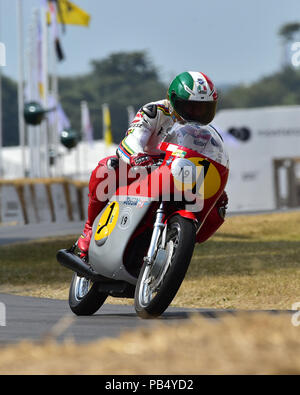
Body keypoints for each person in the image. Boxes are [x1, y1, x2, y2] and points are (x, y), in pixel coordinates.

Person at [77, 71, 228, 257]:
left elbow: (213, 156)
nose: (196, 114)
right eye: (190, 107)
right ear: (173, 100)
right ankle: (89, 229)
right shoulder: (154, 111)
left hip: (185, 175)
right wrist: (137, 156)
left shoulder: (207, 132)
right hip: (146, 170)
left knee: (221, 203)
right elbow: (132, 139)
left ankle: (184, 242)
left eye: (203, 109)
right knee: (108, 168)